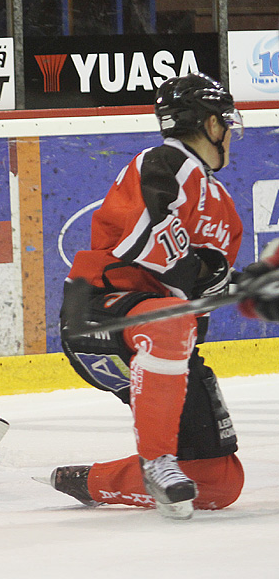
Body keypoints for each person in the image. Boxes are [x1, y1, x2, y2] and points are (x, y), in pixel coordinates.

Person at [53, 72, 246, 520]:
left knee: (218, 483)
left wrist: (230, 284)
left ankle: (87, 481)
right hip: (101, 314)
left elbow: (204, 294)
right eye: (224, 123)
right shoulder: (164, 163)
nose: (229, 134)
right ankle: (157, 459)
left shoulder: (227, 212)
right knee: (172, 317)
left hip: (164, 339)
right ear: (209, 125)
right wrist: (210, 276)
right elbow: (146, 244)